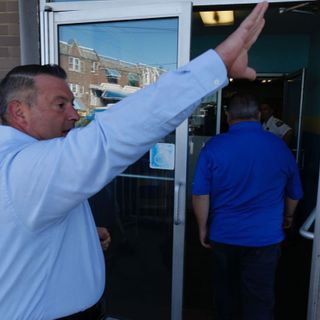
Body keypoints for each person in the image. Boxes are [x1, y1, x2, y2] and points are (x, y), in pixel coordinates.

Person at [0, 2, 268, 319]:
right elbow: (113, 135)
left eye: (72, 102)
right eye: (60, 104)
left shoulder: (24, 166)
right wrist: (217, 64)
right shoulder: (21, 168)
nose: (74, 114)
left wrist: (83, 235)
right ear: (19, 112)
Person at [192, 93, 303, 320]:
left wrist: (202, 228)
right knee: (259, 299)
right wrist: (288, 217)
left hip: (224, 236)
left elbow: (201, 194)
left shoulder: (214, 147)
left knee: (226, 294)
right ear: (259, 115)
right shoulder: (280, 147)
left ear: (227, 116)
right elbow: (295, 193)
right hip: (265, 238)